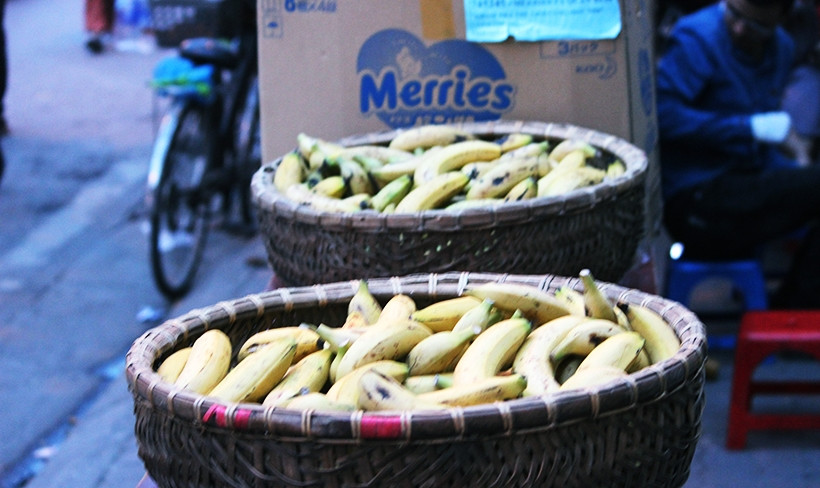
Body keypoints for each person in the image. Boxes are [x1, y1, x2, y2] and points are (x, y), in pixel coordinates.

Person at [656, 0, 820, 309]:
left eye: (756, 25)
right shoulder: (698, 38)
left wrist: (795, 168)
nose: (741, 28)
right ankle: (794, 309)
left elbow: (761, 147)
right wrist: (748, 128)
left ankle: (795, 307)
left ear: (780, 19)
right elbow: (664, 116)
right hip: (695, 200)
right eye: (734, 15)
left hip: (745, 183)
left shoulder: (781, 48)